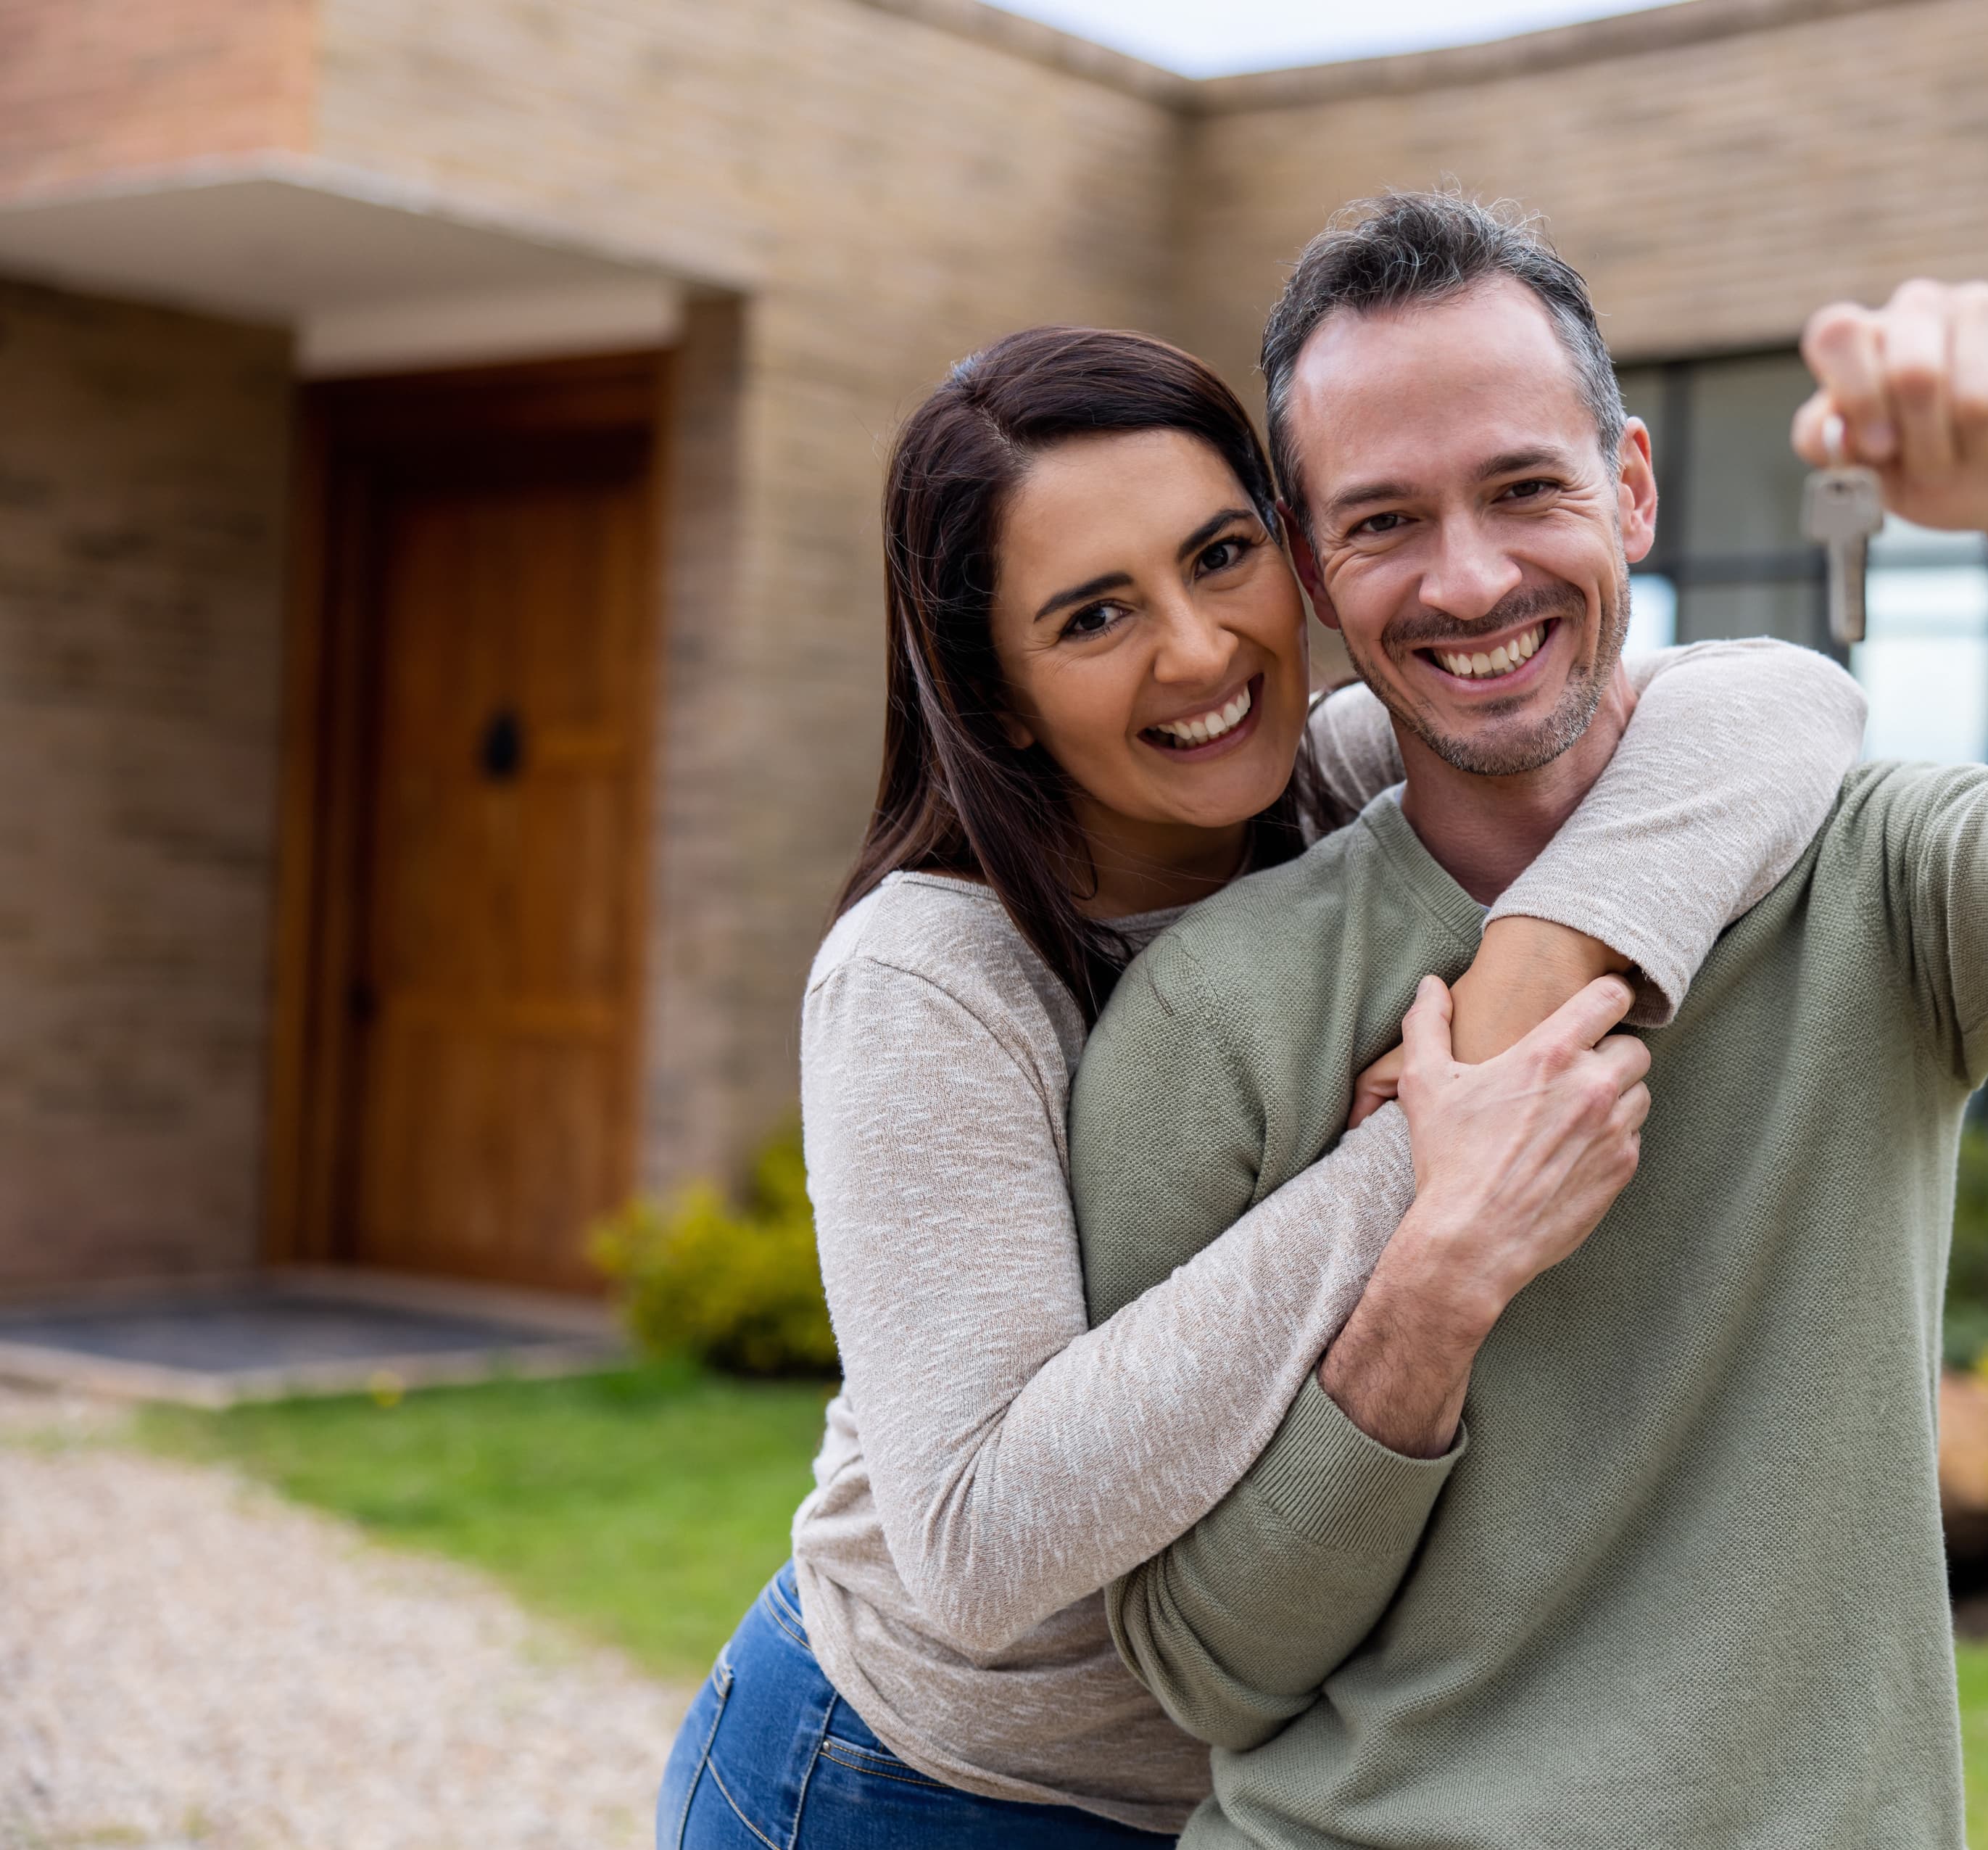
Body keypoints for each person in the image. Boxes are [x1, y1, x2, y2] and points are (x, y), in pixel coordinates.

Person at [1069, 194, 1988, 1849]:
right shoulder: (1210, 1018)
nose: (1472, 576)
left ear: (1629, 487)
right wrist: (1434, 1285)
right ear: (1312, 570)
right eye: (1386, 521)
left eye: (1524, 488)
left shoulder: (1872, 881)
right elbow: (1206, 1664)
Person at [653, 322, 1871, 1848]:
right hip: (910, 1784)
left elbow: (1772, 704)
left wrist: (1528, 978)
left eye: (1221, 556)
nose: (1200, 649)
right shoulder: (928, 974)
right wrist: (1422, 1160)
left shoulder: (1337, 788)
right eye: (1095, 614)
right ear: (1000, 690)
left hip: (1242, 1790)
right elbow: (973, 1536)